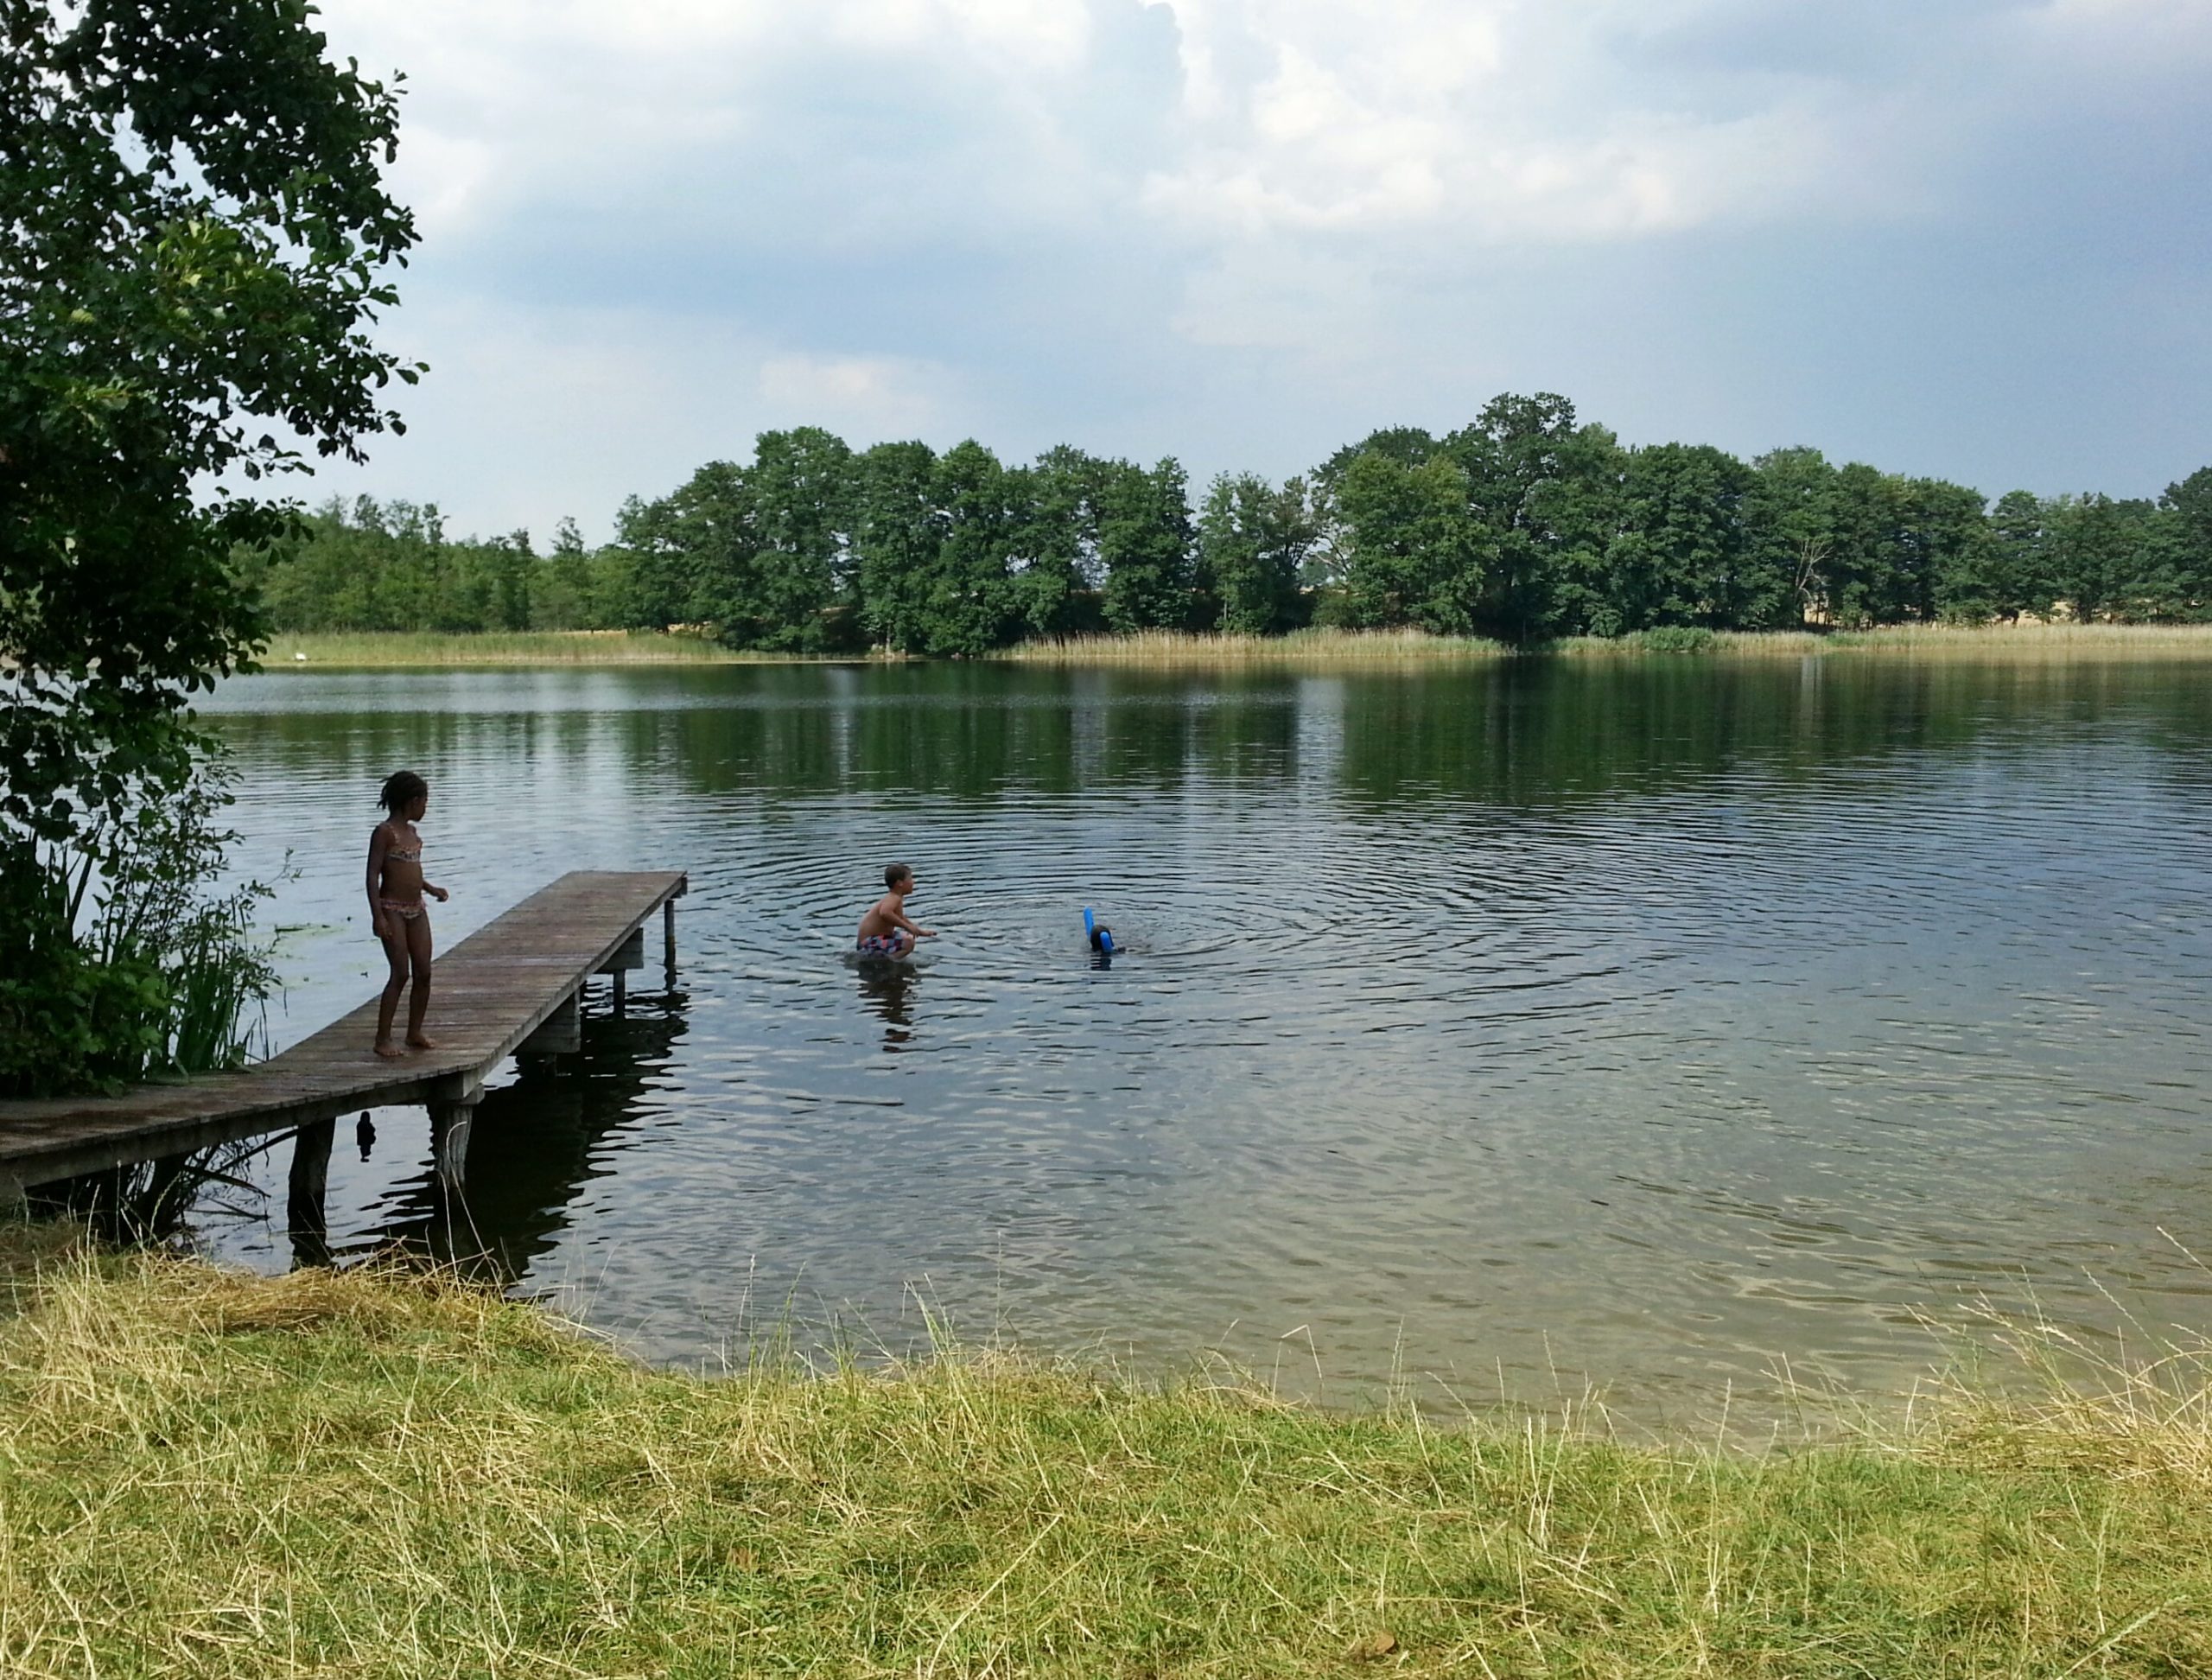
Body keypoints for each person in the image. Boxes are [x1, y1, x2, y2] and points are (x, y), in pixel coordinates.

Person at [366, 770, 450, 1057]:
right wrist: (377, 916)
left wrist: (430, 888)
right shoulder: (385, 833)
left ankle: (414, 1032)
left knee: (424, 972)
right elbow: (373, 875)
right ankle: (382, 1038)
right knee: (400, 972)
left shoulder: (413, 834)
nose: (426, 808)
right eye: (424, 801)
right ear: (411, 802)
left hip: (417, 909)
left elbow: (411, 872)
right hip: (392, 910)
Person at [855, 862, 935, 958]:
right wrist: (907, 927)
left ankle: (887, 961)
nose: (913, 882)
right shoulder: (893, 898)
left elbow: (900, 918)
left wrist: (919, 931)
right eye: (910, 879)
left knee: (907, 938)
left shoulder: (896, 898)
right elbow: (884, 913)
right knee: (908, 942)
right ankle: (887, 963)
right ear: (900, 883)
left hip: (873, 940)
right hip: (868, 943)